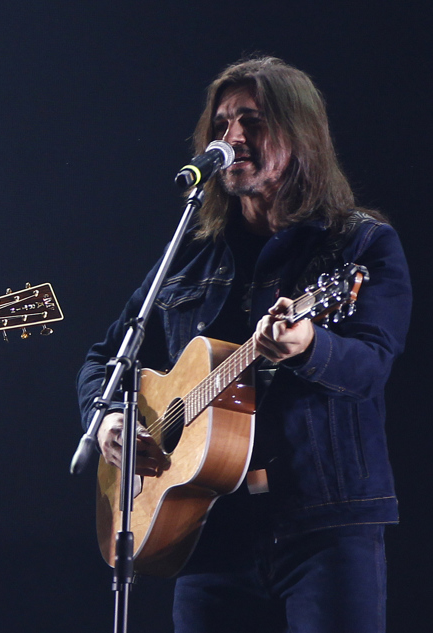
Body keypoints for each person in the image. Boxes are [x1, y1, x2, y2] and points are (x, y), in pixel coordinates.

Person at [77, 56, 410, 632]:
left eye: (251, 121)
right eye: (222, 122)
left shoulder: (361, 245)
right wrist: (106, 417)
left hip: (324, 527)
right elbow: (108, 357)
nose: (231, 138)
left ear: (299, 135)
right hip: (207, 531)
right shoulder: (189, 255)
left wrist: (307, 345)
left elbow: (371, 366)